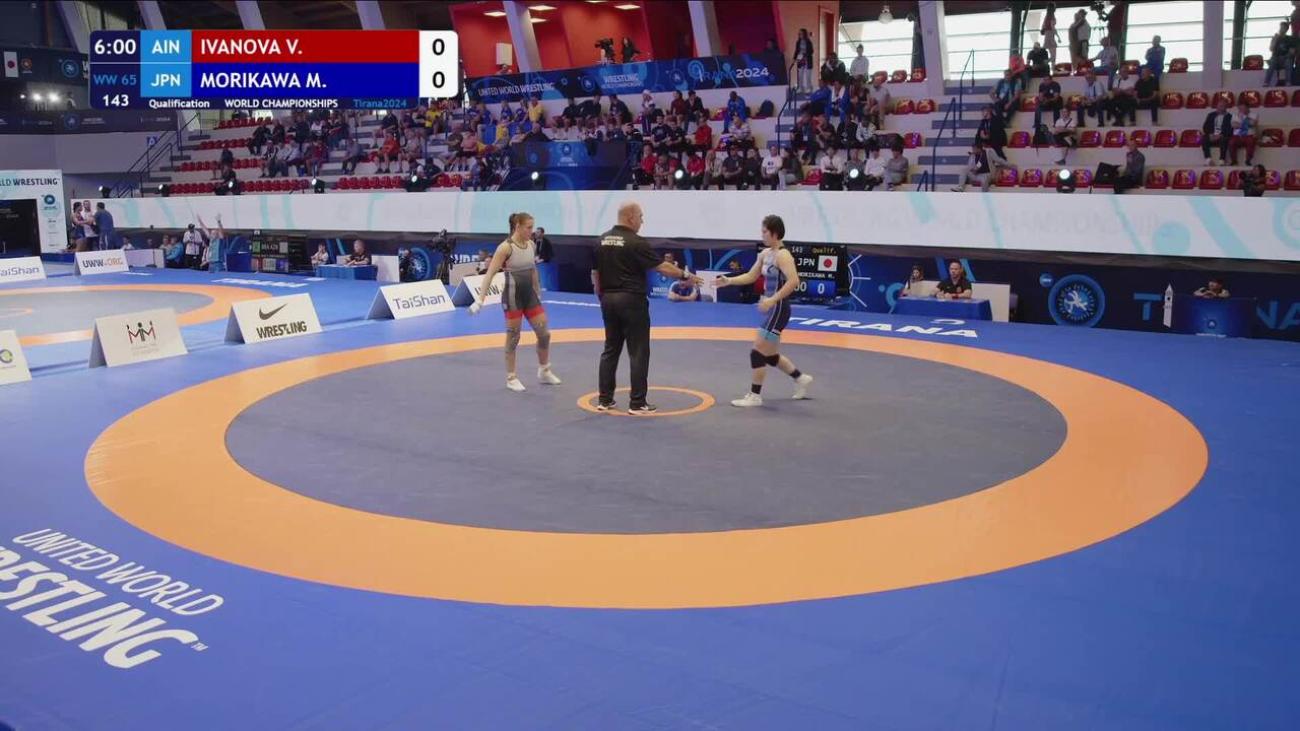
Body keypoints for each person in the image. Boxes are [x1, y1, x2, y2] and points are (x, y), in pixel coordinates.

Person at [591, 202, 700, 414]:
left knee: (610, 349)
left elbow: (595, 273)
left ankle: (605, 399)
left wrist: (602, 296)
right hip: (631, 300)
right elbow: (662, 267)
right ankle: (637, 402)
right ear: (631, 217)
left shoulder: (600, 240)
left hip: (608, 299)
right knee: (638, 351)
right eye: (640, 216)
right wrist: (686, 275)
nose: (642, 221)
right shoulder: (636, 242)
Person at [713, 215, 813, 408]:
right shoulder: (765, 254)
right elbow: (751, 276)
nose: (762, 235)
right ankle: (801, 378)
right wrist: (729, 280)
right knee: (770, 355)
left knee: (757, 352)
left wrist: (772, 300)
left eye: (765, 231)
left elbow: (794, 281)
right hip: (772, 309)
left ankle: (755, 396)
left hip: (779, 309)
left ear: (775, 233)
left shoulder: (783, 255)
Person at [469, 212, 562, 393]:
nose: (531, 231)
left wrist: (537, 291)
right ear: (517, 227)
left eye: (532, 227)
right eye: (528, 227)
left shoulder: (531, 245)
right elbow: (489, 274)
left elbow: (533, 269)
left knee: (544, 334)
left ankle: (544, 370)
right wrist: (480, 300)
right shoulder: (505, 248)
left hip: (530, 297)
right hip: (513, 298)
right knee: (513, 337)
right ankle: (511, 378)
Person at [1202, 100, 1233, 166]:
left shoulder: (1229, 117)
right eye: (1219, 106)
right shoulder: (1211, 115)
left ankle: (1222, 160)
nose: (1220, 108)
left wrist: (1220, 135)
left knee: (1224, 139)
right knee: (1204, 138)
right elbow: (1205, 127)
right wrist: (1210, 134)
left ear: (1226, 107)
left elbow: (1230, 129)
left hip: (1222, 136)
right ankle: (1208, 159)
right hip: (1212, 135)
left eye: (1222, 106)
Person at [1228, 101, 1259, 167]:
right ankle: (1234, 161)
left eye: (1243, 109)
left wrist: (1244, 118)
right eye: (1239, 109)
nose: (1241, 110)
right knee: (1231, 142)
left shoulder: (1254, 115)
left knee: (1251, 141)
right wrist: (1246, 124)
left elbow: (1253, 123)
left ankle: (1248, 160)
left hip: (1249, 135)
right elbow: (1234, 125)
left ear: (1248, 108)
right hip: (1237, 136)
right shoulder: (1235, 115)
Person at [794, 29, 814, 93]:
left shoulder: (808, 42)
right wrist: (794, 58)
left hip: (807, 60)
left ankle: (809, 88)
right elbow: (796, 51)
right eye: (799, 33)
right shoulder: (798, 42)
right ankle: (800, 88)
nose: (800, 35)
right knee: (800, 75)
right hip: (800, 59)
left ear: (804, 34)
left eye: (801, 33)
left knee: (808, 75)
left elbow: (812, 51)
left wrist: (805, 54)